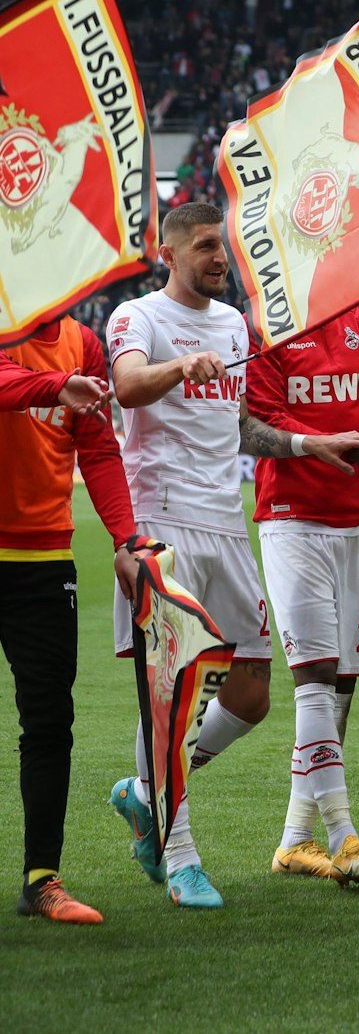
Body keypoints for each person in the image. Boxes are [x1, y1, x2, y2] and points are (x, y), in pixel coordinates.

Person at [104, 202, 359, 909]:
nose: (218, 258)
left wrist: (313, 445)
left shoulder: (236, 325)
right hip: (161, 524)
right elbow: (128, 384)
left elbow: (240, 427)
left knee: (255, 687)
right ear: (168, 253)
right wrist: (180, 365)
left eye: (221, 248)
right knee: (169, 689)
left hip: (225, 526)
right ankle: (180, 856)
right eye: (204, 247)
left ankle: (148, 788)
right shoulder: (135, 316)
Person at [246, 300, 359, 884]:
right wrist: (331, 441)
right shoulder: (265, 325)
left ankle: (294, 840)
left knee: (343, 682)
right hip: (292, 517)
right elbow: (262, 419)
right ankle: (343, 835)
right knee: (315, 676)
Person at [2, 318, 136, 924]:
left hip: (44, 559)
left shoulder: (82, 341)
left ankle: (41, 880)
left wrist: (127, 538)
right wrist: (56, 386)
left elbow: (100, 451)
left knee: (50, 721)